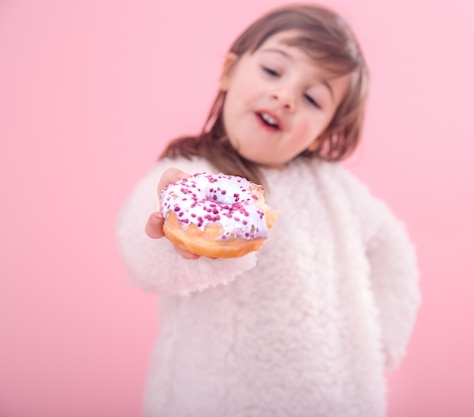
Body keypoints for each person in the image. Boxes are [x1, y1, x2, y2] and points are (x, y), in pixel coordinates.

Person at [116, 4, 420, 417]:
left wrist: (378, 342)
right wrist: (172, 243)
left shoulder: (335, 190)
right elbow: (141, 246)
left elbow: (393, 247)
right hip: (222, 398)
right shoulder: (191, 173)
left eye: (313, 98)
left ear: (323, 133)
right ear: (229, 71)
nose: (286, 96)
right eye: (274, 71)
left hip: (336, 398)